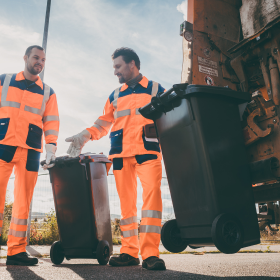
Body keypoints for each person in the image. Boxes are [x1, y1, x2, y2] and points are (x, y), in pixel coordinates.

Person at [66, 47, 166, 270]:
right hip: (121, 155)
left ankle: (150, 254)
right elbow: (103, 123)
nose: (115, 72)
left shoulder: (157, 89)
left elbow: (170, 120)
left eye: (118, 66)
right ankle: (130, 252)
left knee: (152, 203)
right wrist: (85, 135)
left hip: (147, 152)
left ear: (132, 64)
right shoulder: (115, 95)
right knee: (127, 206)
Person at [0, 45, 59, 266]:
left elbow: (51, 122)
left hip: (31, 149)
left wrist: (51, 148)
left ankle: (15, 252)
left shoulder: (47, 92)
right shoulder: (4, 81)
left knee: (23, 203)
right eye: (36, 57)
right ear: (25, 57)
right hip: (3, 144)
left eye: (43, 60)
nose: (40, 63)